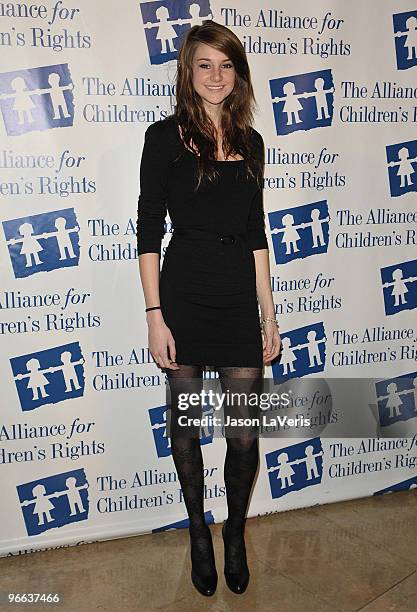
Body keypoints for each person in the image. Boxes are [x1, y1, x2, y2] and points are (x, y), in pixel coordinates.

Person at [136, 20, 281, 597]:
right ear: (187, 72)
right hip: (184, 291)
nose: (216, 76)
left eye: (226, 64)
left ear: (237, 73)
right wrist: (154, 315)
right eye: (204, 65)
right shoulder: (163, 137)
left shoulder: (251, 142)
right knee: (187, 427)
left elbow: (256, 231)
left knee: (243, 433)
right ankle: (198, 532)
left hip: (235, 299)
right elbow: (148, 230)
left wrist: (269, 313)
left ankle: (235, 533)